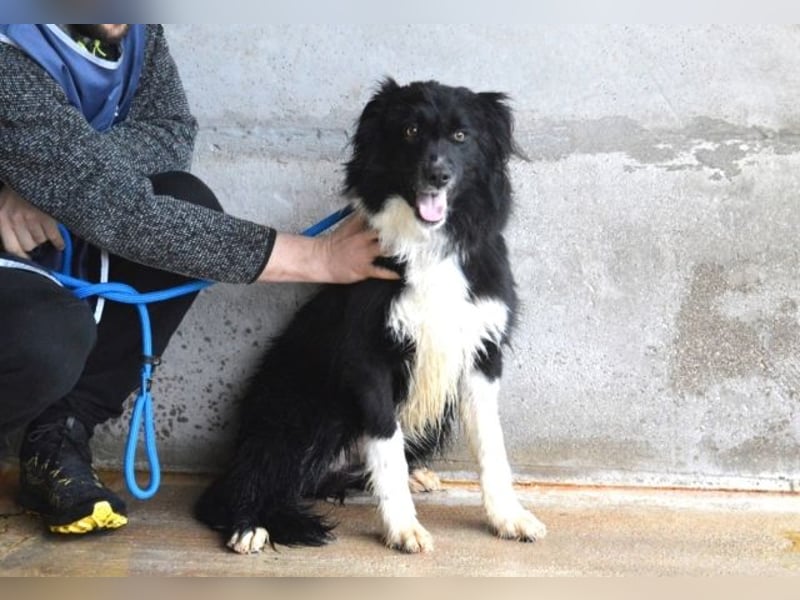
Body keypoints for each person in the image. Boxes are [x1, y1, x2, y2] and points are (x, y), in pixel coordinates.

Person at [0, 23, 397, 535]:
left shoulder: (132, 27)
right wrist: (317, 257)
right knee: (50, 339)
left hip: (43, 236)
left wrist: (49, 177)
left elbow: (170, 132)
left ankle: (58, 439)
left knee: (184, 197)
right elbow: (125, 214)